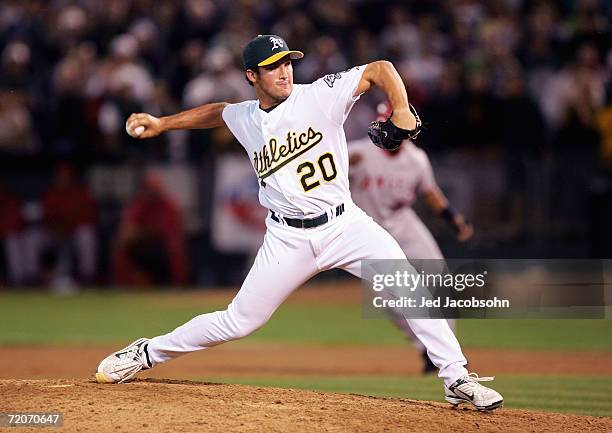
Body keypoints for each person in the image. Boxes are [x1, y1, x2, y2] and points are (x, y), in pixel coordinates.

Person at [96, 34, 503, 411]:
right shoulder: (247, 117)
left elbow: (380, 68)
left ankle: (455, 377)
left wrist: (399, 107)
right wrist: (164, 123)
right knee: (239, 321)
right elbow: (218, 112)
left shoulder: (320, 95)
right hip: (287, 238)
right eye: (273, 66)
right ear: (251, 76)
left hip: (346, 227)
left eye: (288, 62)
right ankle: (146, 352)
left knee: (410, 287)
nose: (285, 70)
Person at [349, 101, 473, 374]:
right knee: (390, 299)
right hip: (368, 230)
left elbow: (429, 192)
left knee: (439, 281)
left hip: (404, 222)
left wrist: (454, 219)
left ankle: (447, 350)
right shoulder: (358, 153)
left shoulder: (416, 159)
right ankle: (426, 350)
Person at [113, 171, 188, 286]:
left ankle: (174, 285)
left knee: (174, 251)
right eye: (150, 189)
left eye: (155, 189)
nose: (152, 192)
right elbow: (127, 232)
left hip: (162, 248)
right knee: (122, 248)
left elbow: (173, 234)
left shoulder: (168, 205)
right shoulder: (139, 205)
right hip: (142, 247)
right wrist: (144, 234)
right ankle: (130, 282)